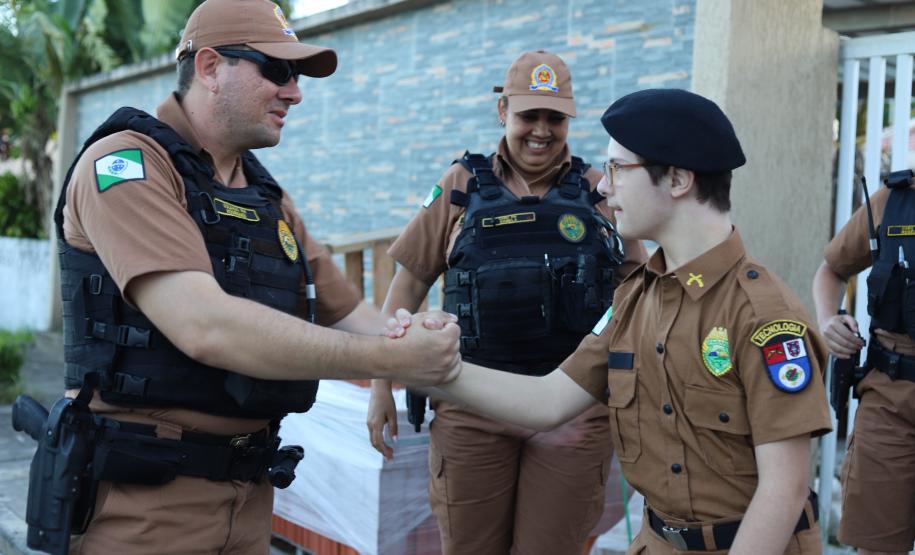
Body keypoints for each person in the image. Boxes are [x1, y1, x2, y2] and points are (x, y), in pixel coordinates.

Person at [51, 1, 459, 553]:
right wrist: (390, 360)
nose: (295, 92)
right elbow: (204, 326)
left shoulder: (268, 199)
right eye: (278, 70)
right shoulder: (125, 164)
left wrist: (415, 335)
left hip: (251, 494)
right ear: (211, 67)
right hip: (141, 504)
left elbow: (352, 315)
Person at [389, 88, 832, 554]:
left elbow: (784, 490)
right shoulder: (633, 300)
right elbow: (548, 400)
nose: (603, 186)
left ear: (678, 179)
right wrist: (428, 367)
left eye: (619, 169)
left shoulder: (762, 316)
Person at [365, 50, 646, 554]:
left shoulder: (598, 191)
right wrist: (380, 387)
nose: (541, 130)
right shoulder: (459, 186)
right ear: (503, 113)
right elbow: (405, 290)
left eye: (555, 118)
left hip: (573, 412)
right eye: (528, 116)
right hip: (471, 405)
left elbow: (638, 292)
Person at [812, 170, 915, 555]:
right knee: (876, 545)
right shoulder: (895, 200)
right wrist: (827, 320)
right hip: (890, 401)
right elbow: (832, 269)